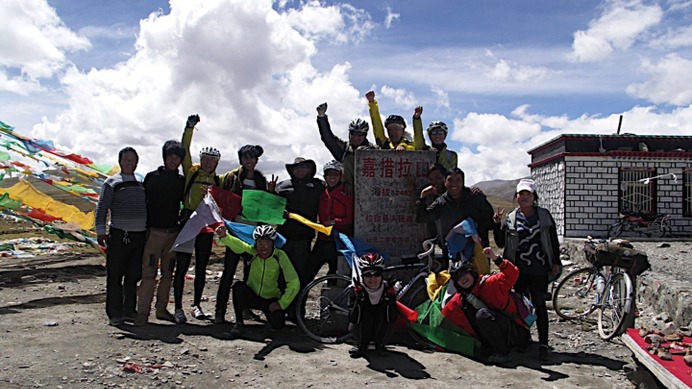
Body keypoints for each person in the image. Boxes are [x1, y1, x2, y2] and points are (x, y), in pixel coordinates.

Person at [493, 178, 561, 361]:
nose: (524, 197)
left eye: (527, 194)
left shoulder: (544, 216)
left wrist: (556, 262)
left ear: (534, 197)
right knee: (521, 306)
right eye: (521, 194)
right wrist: (497, 225)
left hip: (539, 269)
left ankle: (544, 344)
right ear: (516, 197)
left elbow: (553, 241)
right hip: (518, 270)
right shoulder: (512, 219)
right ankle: (524, 339)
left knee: (539, 305)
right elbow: (501, 243)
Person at [214, 144, 276, 324]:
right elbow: (223, 199)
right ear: (240, 160)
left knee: (250, 275)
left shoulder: (260, 180)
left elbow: (265, 207)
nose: (249, 161)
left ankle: (246, 310)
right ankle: (220, 311)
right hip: (235, 232)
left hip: (254, 235)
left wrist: (270, 193)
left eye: (252, 158)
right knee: (228, 272)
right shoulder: (232, 178)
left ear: (256, 160)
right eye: (246, 157)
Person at [173, 114, 223, 324]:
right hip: (188, 221)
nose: (208, 163)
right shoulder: (191, 171)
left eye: (212, 160)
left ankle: (196, 305)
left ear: (217, 163)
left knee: (201, 266)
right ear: (201, 160)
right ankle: (177, 308)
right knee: (182, 265)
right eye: (205, 159)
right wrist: (189, 128)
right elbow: (184, 150)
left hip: (205, 227)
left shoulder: (218, 180)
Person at [441, 249, 530, 364]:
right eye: (457, 278)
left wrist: (496, 259)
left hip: (516, 331)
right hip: (505, 331)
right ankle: (489, 347)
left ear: (471, 272)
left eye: (463, 273)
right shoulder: (466, 296)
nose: (462, 279)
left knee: (482, 314)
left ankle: (502, 353)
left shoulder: (490, 283)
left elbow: (513, 274)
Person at [135, 140, 186, 325]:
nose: (174, 160)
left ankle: (162, 309)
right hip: (153, 233)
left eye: (178, 157)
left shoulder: (181, 181)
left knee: (167, 274)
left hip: (173, 233)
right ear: (164, 157)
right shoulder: (151, 178)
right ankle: (143, 313)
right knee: (149, 274)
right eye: (171, 156)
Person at [214, 224, 299, 334]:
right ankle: (239, 322)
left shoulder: (280, 256)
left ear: (273, 243)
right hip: (253, 296)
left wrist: (282, 303)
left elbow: (294, 281)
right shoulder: (253, 253)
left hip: (271, 300)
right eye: (260, 243)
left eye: (267, 243)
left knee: (277, 326)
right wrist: (224, 236)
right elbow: (239, 245)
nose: (264, 247)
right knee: (238, 287)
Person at [95, 147, 147, 326]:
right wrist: (100, 231)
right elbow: (102, 208)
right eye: (126, 160)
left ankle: (129, 311)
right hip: (119, 234)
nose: (129, 163)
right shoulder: (111, 182)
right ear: (120, 161)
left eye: (132, 160)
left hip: (139, 236)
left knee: (133, 275)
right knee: (115, 275)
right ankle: (114, 313)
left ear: (137, 162)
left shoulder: (141, 183)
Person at [415, 167, 494, 261]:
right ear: (445, 182)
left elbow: (490, 219)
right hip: (452, 254)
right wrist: (423, 196)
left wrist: (474, 236)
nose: (454, 184)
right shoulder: (441, 202)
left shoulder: (474, 197)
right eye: (450, 180)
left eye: (458, 180)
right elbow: (422, 217)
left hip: (477, 253)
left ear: (463, 182)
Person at [274, 157, 324, 293]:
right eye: (297, 168)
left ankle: (297, 310)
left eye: (304, 167)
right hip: (283, 237)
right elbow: (271, 206)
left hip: (304, 239)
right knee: (281, 273)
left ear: (309, 169)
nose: (300, 170)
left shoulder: (318, 185)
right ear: (292, 170)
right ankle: (280, 308)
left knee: (300, 274)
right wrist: (270, 192)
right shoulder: (282, 186)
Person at [306, 160, 353, 282]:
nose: (332, 177)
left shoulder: (346, 193)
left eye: (336, 174)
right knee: (307, 274)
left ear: (340, 176)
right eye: (329, 174)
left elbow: (349, 219)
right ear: (325, 176)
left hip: (338, 241)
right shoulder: (322, 192)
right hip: (322, 239)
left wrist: (333, 222)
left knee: (334, 277)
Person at [316, 102, 377, 194]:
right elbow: (328, 138)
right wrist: (322, 117)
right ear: (349, 134)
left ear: (365, 135)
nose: (356, 138)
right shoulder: (344, 148)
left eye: (360, 135)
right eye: (353, 134)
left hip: (369, 194)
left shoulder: (375, 150)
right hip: (347, 194)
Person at [348, 253, 398, 357]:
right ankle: (361, 345)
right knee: (365, 313)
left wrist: (389, 300)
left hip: (380, 328)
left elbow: (392, 318)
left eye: (376, 274)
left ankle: (380, 345)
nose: (373, 279)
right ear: (362, 275)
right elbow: (353, 319)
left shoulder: (387, 288)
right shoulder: (356, 289)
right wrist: (359, 301)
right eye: (368, 275)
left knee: (383, 313)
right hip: (361, 328)